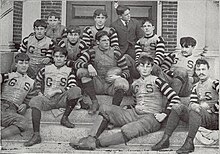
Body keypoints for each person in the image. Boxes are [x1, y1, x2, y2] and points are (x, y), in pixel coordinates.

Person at [69, 55, 181, 150]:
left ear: (152, 68)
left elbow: (175, 98)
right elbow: (137, 101)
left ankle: (97, 144)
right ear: (138, 68)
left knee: (129, 129)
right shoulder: (135, 84)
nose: (145, 68)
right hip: (135, 114)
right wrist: (127, 107)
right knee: (105, 108)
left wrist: (164, 113)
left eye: (148, 66)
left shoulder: (157, 80)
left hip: (151, 117)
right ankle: (90, 139)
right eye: (142, 66)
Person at [152, 58, 219, 153]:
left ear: (208, 70)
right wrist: (196, 106)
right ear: (195, 71)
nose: (201, 72)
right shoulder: (195, 87)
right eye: (198, 70)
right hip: (199, 116)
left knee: (195, 108)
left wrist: (212, 109)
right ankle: (165, 139)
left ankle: (189, 142)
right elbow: (192, 102)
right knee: (177, 107)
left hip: (214, 118)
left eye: (203, 69)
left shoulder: (214, 83)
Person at [24, 46, 82, 147]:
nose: (58, 59)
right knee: (35, 100)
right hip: (47, 99)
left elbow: (72, 85)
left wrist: (58, 90)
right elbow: (37, 82)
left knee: (76, 90)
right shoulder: (45, 69)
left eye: (61, 56)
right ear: (53, 57)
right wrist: (39, 92)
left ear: (65, 58)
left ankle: (65, 118)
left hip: (62, 99)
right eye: (56, 56)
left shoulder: (69, 70)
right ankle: (36, 134)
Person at [74, 30, 130, 115]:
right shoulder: (92, 51)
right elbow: (77, 63)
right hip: (97, 83)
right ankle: (94, 102)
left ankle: (113, 110)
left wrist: (119, 76)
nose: (107, 42)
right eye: (104, 40)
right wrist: (88, 65)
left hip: (111, 85)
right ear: (97, 42)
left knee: (122, 83)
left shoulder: (116, 52)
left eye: (108, 40)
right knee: (82, 72)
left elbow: (126, 71)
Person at [1, 53, 36, 139]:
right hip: (1, 103)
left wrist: (26, 105)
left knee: (23, 122)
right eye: (21, 63)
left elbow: (32, 98)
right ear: (16, 64)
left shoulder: (31, 82)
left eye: (26, 63)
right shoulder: (8, 76)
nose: (24, 65)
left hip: (12, 110)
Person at [58, 25, 89, 110]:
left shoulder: (82, 44)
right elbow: (60, 57)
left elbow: (84, 59)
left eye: (75, 35)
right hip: (64, 66)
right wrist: (72, 63)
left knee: (81, 72)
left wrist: (75, 64)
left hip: (77, 67)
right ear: (67, 35)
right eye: (70, 35)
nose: (73, 37)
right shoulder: (63, 43)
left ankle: (81, 99)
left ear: (79, 36)